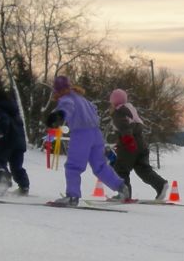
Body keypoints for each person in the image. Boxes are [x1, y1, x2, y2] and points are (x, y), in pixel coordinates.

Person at [46, 75, 128, 206]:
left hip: (81, 134)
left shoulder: (66, 99)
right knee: (100, 166)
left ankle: (72, 197)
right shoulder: (81, 98)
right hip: (96, 134)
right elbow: (94, 110)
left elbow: (66, 108)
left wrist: (58, 116)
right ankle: (121, 188)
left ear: (58, 90)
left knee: (73, 166)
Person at [108, 88, 170, 201]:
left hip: (129, 147)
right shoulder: (131, 110)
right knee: (143, 169)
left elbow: (125, 128)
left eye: (111, 102)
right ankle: (160, 184)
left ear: (115, 102)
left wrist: (127, 142)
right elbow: (134, 127)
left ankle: (124, 194)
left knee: (121, 169)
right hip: (141, 144)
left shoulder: (118, 112)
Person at [0, 90, 31, 196]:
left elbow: (3, 122)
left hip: (7, 142)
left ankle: (4, 182)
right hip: (19, 143)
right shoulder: (14, 110)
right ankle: (24, 186)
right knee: (16, 166)